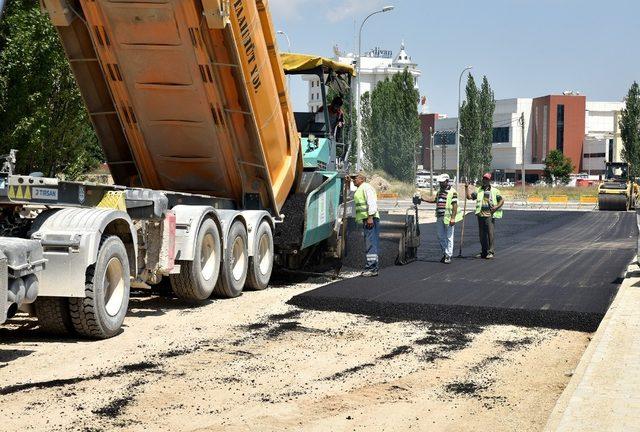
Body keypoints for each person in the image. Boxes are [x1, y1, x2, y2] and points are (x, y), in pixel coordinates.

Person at [420, 174, 462, 264]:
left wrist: (453, 218)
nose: (440, 184)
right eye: (440, 182)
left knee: (449, 237)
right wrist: (423, 199)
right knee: (440, 236)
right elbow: (435, 200)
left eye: (442, 182)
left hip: (448, 217)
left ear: (447, 181)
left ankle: (448, 255)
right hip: (439, 217)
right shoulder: (440, 192)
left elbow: (455, 205)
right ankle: (445, 253)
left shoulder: (452, 192)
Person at [465, 173, 505, 259]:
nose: (484, 180)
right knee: (482, 235)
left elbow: (501, 200)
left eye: (486, 179)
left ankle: (490, 252)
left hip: (489, 215)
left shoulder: (494, 191)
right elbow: (469, 197)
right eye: (484, 179)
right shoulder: (479, 190)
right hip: (480, 215)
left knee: (490, 233)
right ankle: (483, 252)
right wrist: (466, 187)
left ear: (489, 180)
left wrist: (496, 207)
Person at [352, 172, 380, 277]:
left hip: (370, 219)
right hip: (367, 219)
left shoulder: (366, 187)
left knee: (370, 244)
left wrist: (370, 217)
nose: (353, 180)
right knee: (371, 243)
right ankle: (373, 268)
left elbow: (372, 202)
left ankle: (371, 268)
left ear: (362, 179)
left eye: (355, 178)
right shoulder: (360, 188)